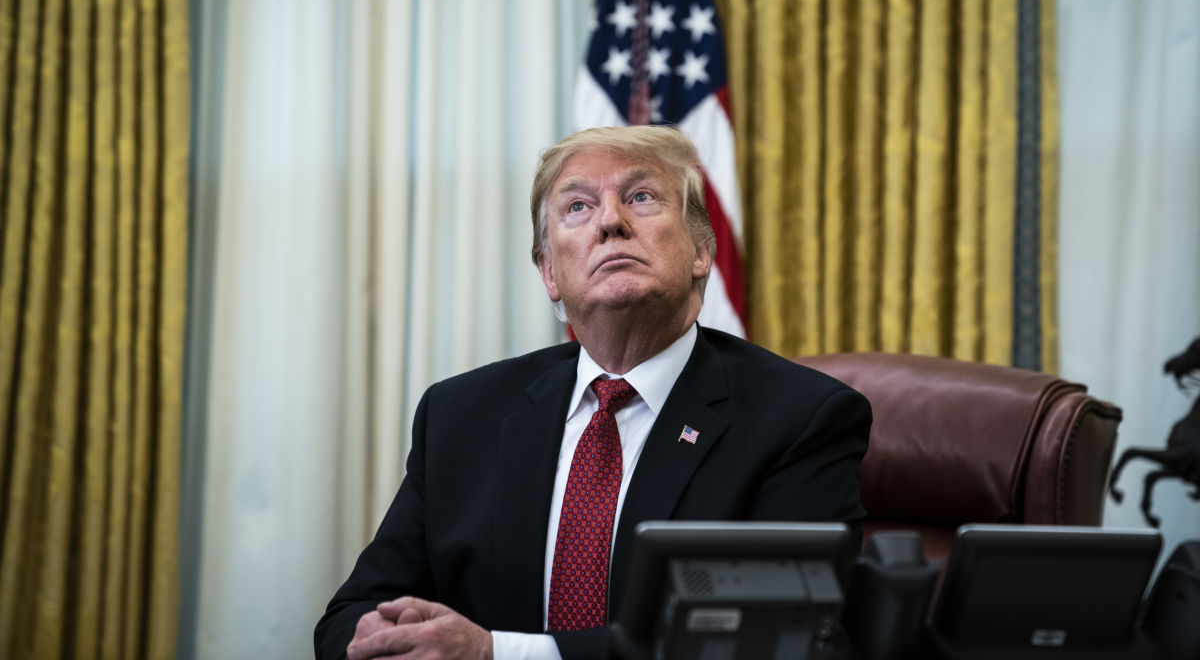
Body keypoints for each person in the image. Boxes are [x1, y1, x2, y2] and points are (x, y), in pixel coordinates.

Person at [315, 125, 871, 660]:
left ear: (702, 252)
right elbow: (351, 615)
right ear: (550, 273)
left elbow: (776, 637)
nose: (611, 221)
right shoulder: (460, 415)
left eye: (642, 196)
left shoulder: (801, 419)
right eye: (577, 206)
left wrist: (496, 654)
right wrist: (387, 643)